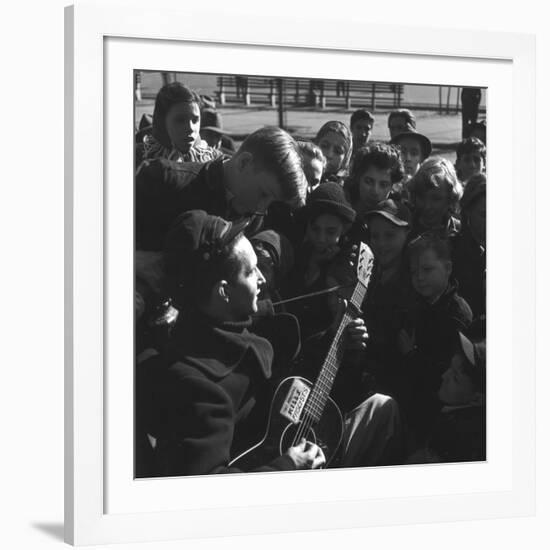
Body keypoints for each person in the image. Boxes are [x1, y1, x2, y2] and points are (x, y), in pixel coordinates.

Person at [135, 126, 308, 251]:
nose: (262, 210)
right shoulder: (162, 180)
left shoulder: (255, 216)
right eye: (263, 194)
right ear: (244, 162)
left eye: (271, 202)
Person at [396, 232, 473, 439]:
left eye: (427, 269)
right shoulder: (419, 304)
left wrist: (411, 354)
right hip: (412, 405)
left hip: (437, 415)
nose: (419, 277)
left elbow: (444, 371)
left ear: (447, 268)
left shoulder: (456, 313)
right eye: (414, 272)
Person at [408, 332, 486, 463]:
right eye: (450, 367)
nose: (444, 376)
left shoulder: (459, 438)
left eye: (455, 378)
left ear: (478, 399)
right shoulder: (452, 408)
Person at [135, 82, 222, 167]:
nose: (190, 128)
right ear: (162, 122)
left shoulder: (214, 160)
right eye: (180, 120)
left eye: (195, 120)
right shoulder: (138, 160)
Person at [345, 142, 405, 220]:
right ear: (358, 178)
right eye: (368, 181)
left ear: (392, 186)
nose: (375, 191)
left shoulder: (400, 216)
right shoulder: (344, 210)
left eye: (383, 185)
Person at [408, 157, 463, 238]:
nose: (427, 206)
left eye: (436, 199)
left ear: (450, 198)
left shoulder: (461, 234)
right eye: (421, 196)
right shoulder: (403, 230)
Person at [313, 121, 353, 185]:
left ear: (345, 159)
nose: (329, 155)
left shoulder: (348, 189)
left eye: (338, 151)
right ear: (316, 145)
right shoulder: (299, 178)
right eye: (324, 146)